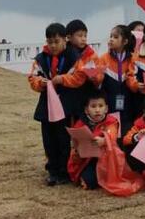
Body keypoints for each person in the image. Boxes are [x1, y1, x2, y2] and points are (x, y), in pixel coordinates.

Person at [28, 22, 88, 185]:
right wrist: (39, 83)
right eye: (50, 42)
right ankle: (52, 170)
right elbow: (32, 77)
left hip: (66, 105)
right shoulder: (41, 59)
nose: (53, 45)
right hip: (47, 105)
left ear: (65, 40)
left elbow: (80, 77)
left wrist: (62, 79)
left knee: (64, 139)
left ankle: (65, 171)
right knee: (49, 139)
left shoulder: (74, 57)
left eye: (57, 41)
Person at [67, 92, 119, 190]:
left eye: (100, 106)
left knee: (110, 179)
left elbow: (112, 135)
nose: (97, 110)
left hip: (107, 158)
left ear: (106, 108)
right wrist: (76, 146)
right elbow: (75, 144)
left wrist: (104, 140)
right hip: (87, 160)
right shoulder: (80, 124)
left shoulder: (111, 121)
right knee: (89, 182)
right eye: (93, 106)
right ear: (86, 110)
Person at [91, 25, 136, 126]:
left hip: (129, 103)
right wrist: (94, 78)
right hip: (110, 103)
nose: (111, 39)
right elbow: (98, 80)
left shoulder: (133, 58)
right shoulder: (103, 58)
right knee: (112, 131)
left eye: (115, 37)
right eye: (111, 36)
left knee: (127, 131)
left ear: (125, 41)